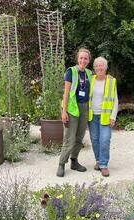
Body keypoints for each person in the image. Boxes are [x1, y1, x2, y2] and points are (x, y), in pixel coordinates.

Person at [56, 48, 92, 177]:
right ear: (77, 58)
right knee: (69, 138)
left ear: (89, 60)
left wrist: (108, 77)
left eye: (86, 58)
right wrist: (64, 112)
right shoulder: (71, 72)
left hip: (84, 108)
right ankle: (61, 163)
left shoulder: (88, 73)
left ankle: (74, 161)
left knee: (79, 137)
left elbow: (98, 81)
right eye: (81, 58)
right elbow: (66, 93)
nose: (83, 60)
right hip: (72, 108)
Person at [88, 57, 118, 177]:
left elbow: (115, 100)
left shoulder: (111, 81)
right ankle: (99, 161)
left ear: (106, 67)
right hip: (92, 116)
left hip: (105, 116)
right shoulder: (91, 79)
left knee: (104, 140)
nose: (99, 68)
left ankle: (104, 165)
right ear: (94, 68)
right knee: (95, 140)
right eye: (97, 66)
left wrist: (113, 116)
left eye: (102, 66)